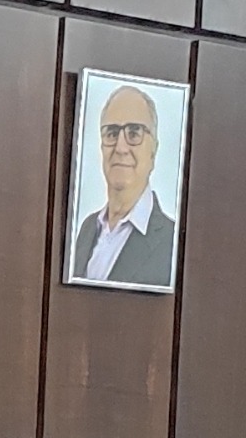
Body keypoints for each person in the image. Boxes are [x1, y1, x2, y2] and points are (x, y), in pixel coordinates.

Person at [64, 81, 179, 290]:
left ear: (153, 150)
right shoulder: (86, 231)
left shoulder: (173, 243)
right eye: (112, 133)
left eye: (134, 133)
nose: (120, 147)